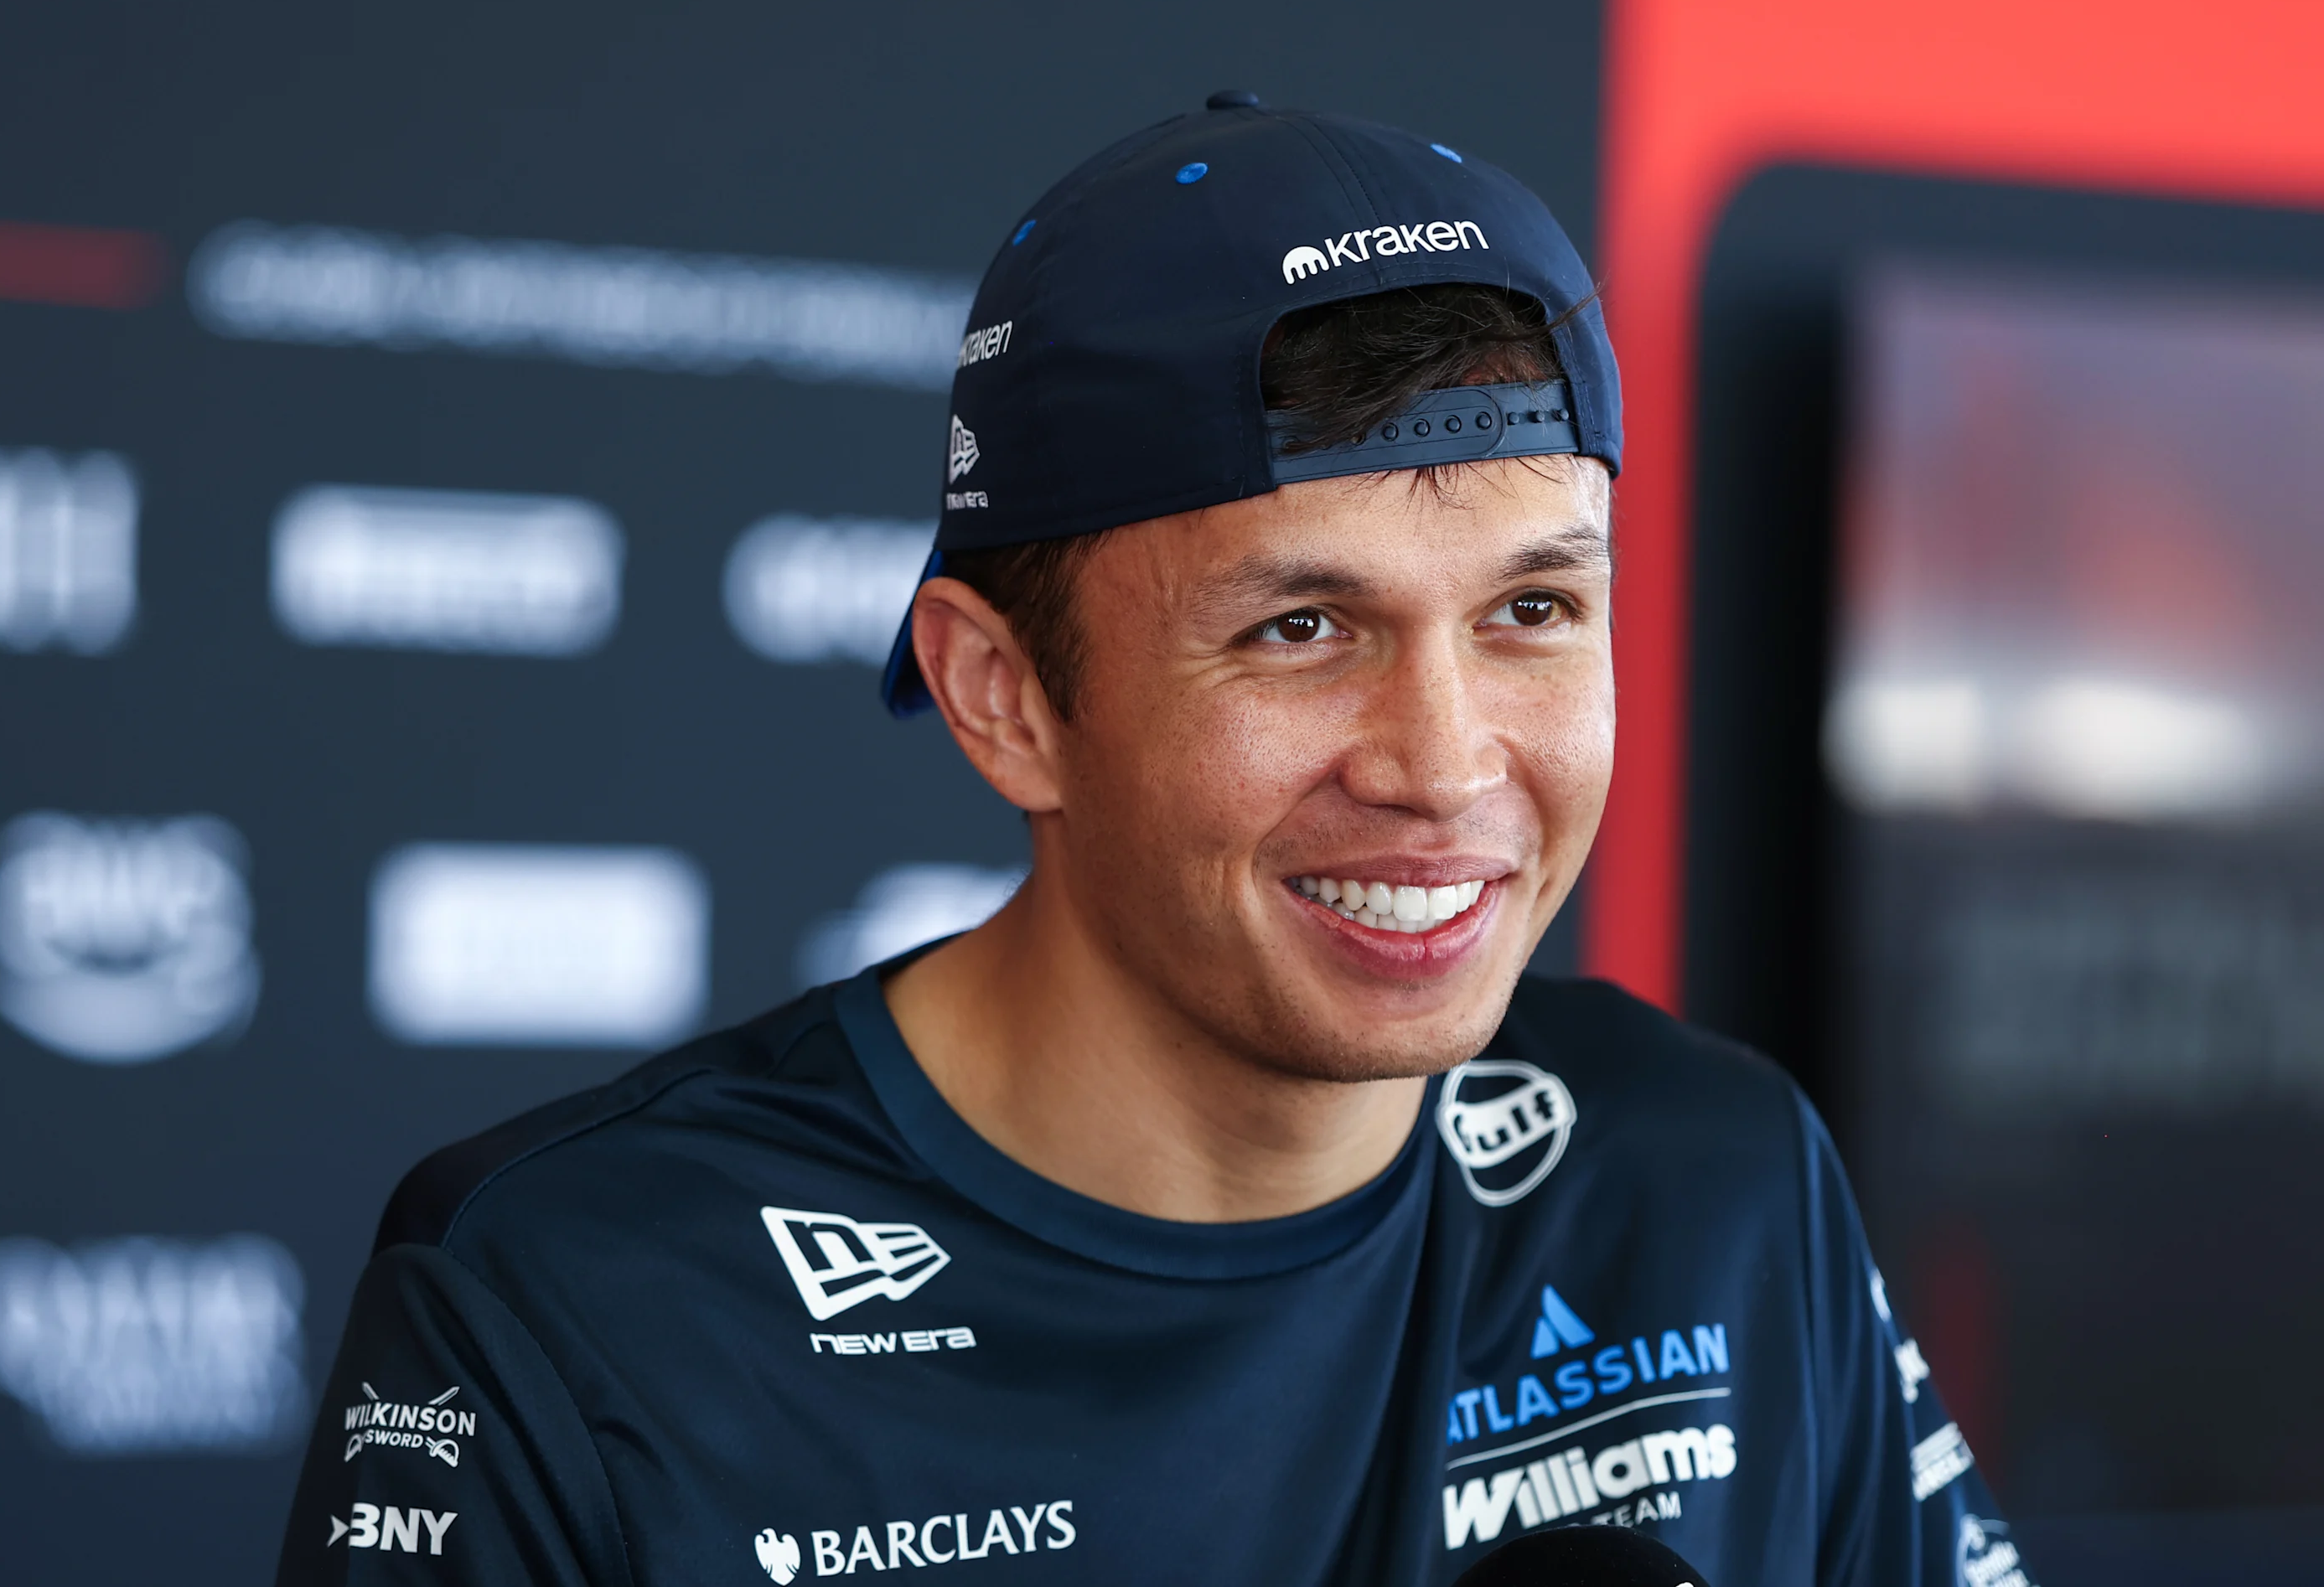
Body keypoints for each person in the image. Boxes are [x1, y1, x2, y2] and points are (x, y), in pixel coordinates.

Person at [277, 93, 2025, 1587]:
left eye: (1533, 611)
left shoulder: (1707, 1179)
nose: (1442, 763)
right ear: (1002, 696)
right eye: (1299, 630)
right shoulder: (569, 1296)